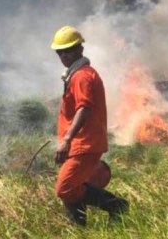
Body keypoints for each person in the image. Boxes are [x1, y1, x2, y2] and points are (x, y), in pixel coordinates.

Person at [51, 26, 129, 225]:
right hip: (79, 143)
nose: (64, 55)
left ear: (80, 49)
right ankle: (78, 228)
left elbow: (84, 107)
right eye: (60, 51)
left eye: (69, 50)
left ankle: (116, 205)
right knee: (76, 185)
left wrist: (67, 139)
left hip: (83, 143)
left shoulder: (82, 76)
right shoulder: (75, 74)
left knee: (65, 188)